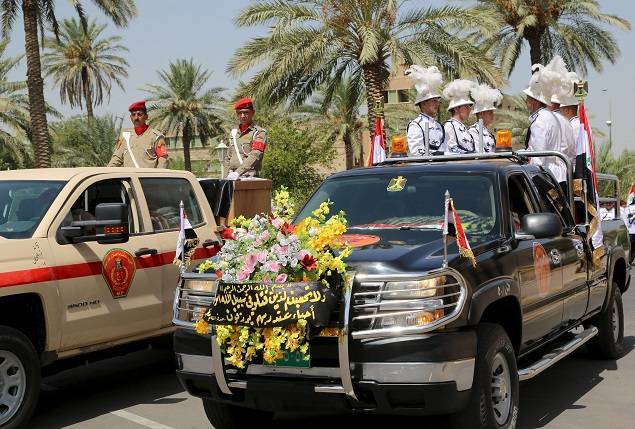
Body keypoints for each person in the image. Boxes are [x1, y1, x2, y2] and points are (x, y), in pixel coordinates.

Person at [523, 63, 564, 183]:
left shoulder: (540, 121)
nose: (526, 101)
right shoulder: (549, 116)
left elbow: (537, 158)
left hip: (546, 176)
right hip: (554, 174)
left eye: (528, 98)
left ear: (535, 101)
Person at [108, 100, 168, 168]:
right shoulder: (125, 136)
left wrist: (158, 177)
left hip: (147, 178)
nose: (136, 118)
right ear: (130, 118)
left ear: (146, 117)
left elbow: (163, 160)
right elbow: (116, 159)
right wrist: (106, 174)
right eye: (133, 115)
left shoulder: (156, 136)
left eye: (139, 114)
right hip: (129, 178)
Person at [405, 65, 445, 155]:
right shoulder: (416, 125)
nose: (437, 104)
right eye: (433, 101)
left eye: (437, 100)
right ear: (423, 103)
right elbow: (416, 151)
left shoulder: (439, 126)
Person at [224, 97, 267, 180]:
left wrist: (238, 172)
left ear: (253, 113)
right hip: (232, 177)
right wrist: (225, 177)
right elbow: (228, 157)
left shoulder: (259, 133)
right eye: (239, 113)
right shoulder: (234, 133)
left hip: (249, 178)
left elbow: (255, 155)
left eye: (246, 113)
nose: (242, 116)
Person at [443, 79, 477, 154]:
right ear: (456, 109)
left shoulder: (465, 127)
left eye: (469, 106)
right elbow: (451, 148)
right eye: (465, 107)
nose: (469, 109)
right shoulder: (449, 126)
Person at [469, 83, 503, 153]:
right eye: (490, 112)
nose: (492, 115)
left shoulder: (487, 131)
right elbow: (479, 154)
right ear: (481, 113)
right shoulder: (474, 131)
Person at [623, 199, 635, 264]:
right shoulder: (629, 208)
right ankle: (627, 261)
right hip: (631, 231)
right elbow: (626, 217)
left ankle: (630, 262)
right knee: (630, 247)